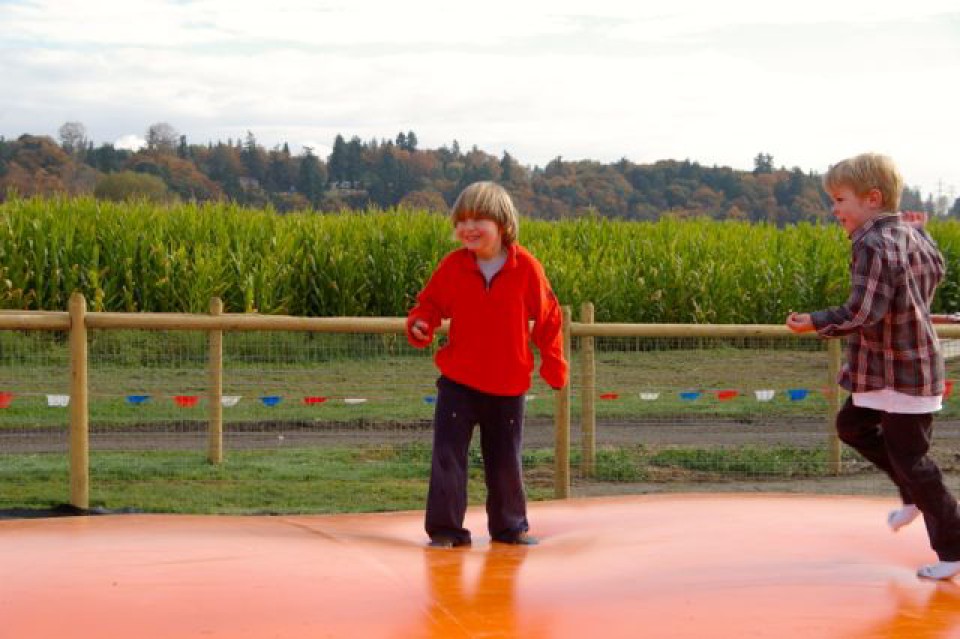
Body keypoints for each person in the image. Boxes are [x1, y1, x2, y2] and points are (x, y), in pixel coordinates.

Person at [786, 153, 960, 580]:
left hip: (902, 374)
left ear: (872, 199)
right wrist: (921, 233)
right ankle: (911, 494)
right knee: (852, 426)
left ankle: (954, 547)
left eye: (840, 199)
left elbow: (864, 312)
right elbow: (934, 274)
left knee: (914, 461)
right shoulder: (913, 235)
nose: (834, 210)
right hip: (887, 371)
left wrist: (815, 322)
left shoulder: (871, 243)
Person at [406, 181, 568, 548]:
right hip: (458, 382)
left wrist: (554, 364)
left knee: (505, 461)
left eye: (478, 219)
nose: (468, 228)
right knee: (447, 457)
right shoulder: (453, 266)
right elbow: (429, 305)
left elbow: (549, 319)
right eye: (461, 221)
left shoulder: (527, 268)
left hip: (508, 385)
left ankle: (510, 528)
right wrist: (420, 324)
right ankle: (446, 530)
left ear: (503, 223)